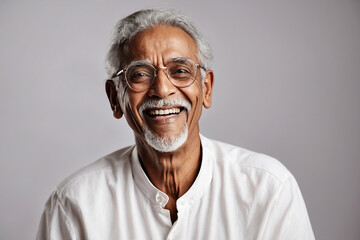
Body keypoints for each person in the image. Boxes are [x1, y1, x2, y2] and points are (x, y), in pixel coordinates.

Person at [36, 9, 315, 239]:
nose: (162, 89)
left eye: (180, 71)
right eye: (140, 74)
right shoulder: (75, 204)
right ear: (115, 98)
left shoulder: (268, 189)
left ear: (206, 89)